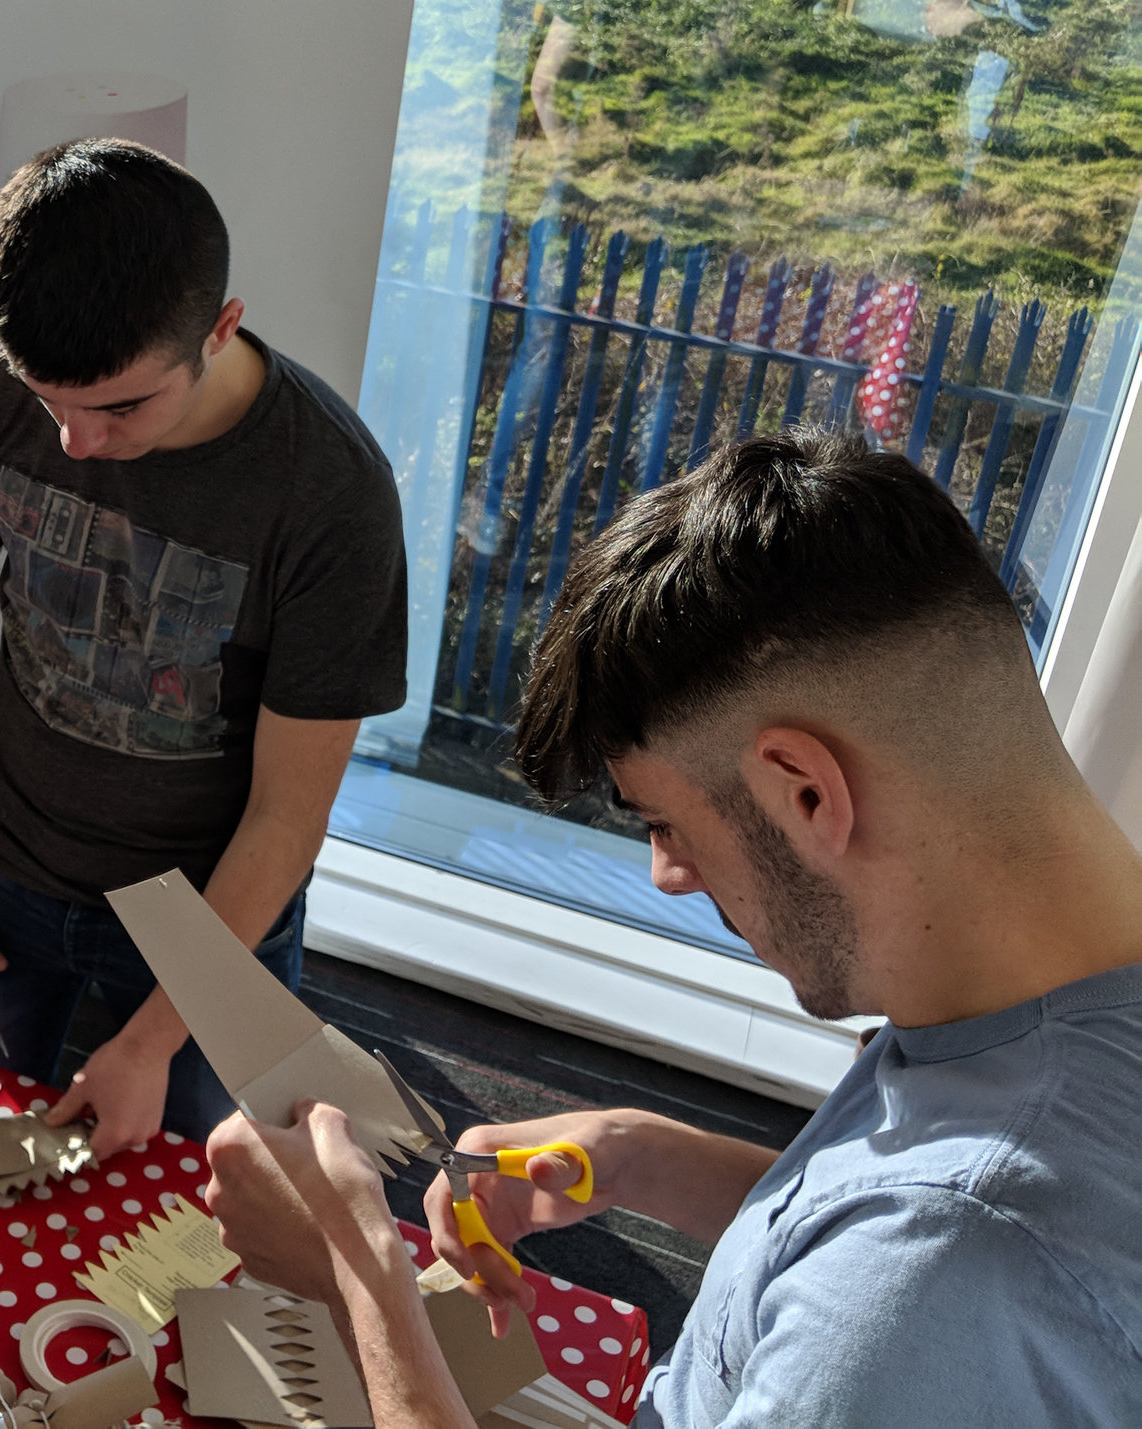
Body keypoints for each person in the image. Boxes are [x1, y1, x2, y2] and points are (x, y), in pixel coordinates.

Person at [201, 430, 1142, 1427]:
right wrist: (641, 1154)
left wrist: (350, 1277)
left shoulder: (949, 1260)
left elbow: (905, 1268)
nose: (667, 874)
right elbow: (851, 1236)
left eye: (665, 824)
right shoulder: (1030, 1002)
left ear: (806, 792)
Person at [0, 138, 409, 1160]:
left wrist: (155, 1034)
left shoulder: (332, 494)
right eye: (48, 400)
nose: (76, 443)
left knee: (193, 1207)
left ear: (219, 329)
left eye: (120, 406)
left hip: (204, 916)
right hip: (1, 856)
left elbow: (286, 817)